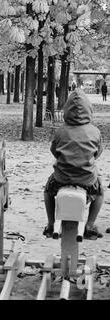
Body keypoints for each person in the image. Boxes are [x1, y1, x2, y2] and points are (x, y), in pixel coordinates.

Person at [43, 89, 104, 240]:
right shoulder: (95, 132)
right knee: (101, 192)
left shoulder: (60, 131)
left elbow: (54, 151)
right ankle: (90, 224)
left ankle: (51, 223)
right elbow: (98, 152)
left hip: (61, 179)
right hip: (87, 180)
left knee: (47, 190)